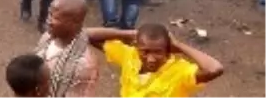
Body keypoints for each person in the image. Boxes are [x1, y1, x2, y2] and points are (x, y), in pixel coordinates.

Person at [93, 22, 225, 96]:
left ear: (168, 50)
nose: (151, 59)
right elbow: (86, 35)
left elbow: (215, 69)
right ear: (136, 47)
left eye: (158, 52)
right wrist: (128, 33)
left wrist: (179, 45)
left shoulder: (180, 72)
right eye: (145, 52)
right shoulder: (129, 55)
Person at [35, 0, 100, 98]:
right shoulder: (47, 37)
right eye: (49, 14)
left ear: (74, 23)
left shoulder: (83, 64)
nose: (48, 21)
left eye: (55, 18)